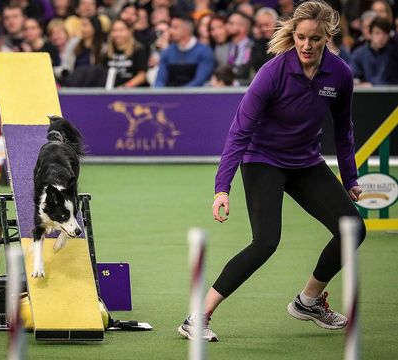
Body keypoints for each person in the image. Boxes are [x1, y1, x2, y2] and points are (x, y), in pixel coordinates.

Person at [178, 0, 366, 342]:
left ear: (328, 38)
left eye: (316, 39)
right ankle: (197, 317)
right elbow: (239, 132)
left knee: (352, 228)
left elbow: (344, 129)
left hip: (305, 162)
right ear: (292, 34)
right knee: (265, 242)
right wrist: (223, 188)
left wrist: (350, 178)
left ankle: (308, 301)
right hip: (262, 159)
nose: (307, 46)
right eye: (301, 37)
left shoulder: (339, 74)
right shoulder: (273, 73)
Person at [155, 14, 214, 87]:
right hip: (170, 95)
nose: (170, 31)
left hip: (195, 95)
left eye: (175, 27)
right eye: (171, 27)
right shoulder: (167, 52)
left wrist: (179, 95)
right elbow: (160, 80)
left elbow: (199, 80)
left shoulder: (204, 51)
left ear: (187, 30)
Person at [351, 17, 398, 86]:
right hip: (365, 94)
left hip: (389, 94)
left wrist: (373, 84)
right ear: (370, 34)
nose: (381, 37)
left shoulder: (394, 54)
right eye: (377, 33)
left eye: (384, 34)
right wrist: (359, 84)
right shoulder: (359, 54)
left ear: (388, 36)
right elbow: (352, 77)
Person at [102, 18, 148, 87]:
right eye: (114, 30)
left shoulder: (139, 50)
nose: (118, 34)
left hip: (133, 91)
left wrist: (125, 87)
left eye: (121, 30)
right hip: (110, 91)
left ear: (129, 31)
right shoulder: (106, 53)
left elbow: (142, 75)